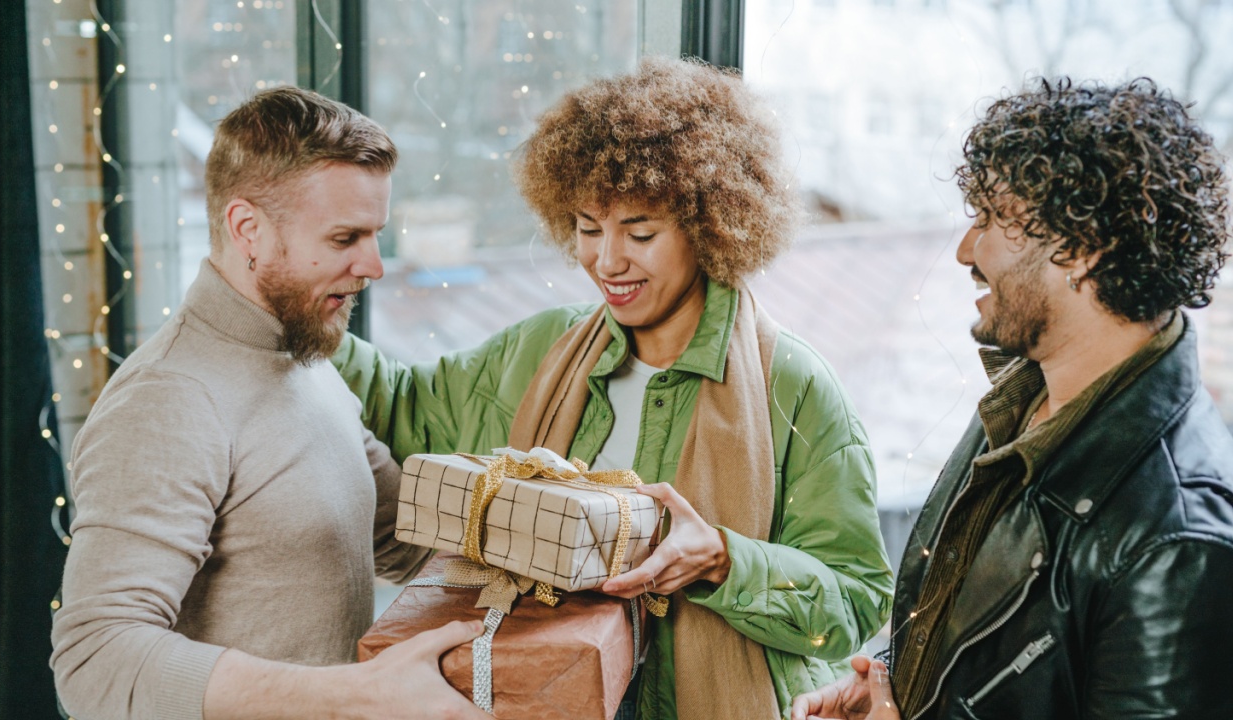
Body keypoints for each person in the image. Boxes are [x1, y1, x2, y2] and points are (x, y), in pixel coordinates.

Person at [333, 57, 894, 720]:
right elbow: (395, 404)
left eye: (641, 232)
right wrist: (296, 299)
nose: (607, 261)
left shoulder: (793, 387)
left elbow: (855, 603)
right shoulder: (540, 350)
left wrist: (721, 561)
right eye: (589, 229)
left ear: (710, 224)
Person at [792, 77, 1233, 720]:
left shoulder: (1175, 542)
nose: (968, 250)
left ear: (1082, 250)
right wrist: (895, 685)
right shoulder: (1025, 399)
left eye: (994, 219)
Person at [51, 87, 487, 720]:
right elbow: (95, 659)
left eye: (375, 235)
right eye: (345, 238)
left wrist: (573, 528)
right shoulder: (168, 400)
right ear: (248, 229)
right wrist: (358, 696)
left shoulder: (304, 352)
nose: (373, 265)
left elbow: (399, 533)